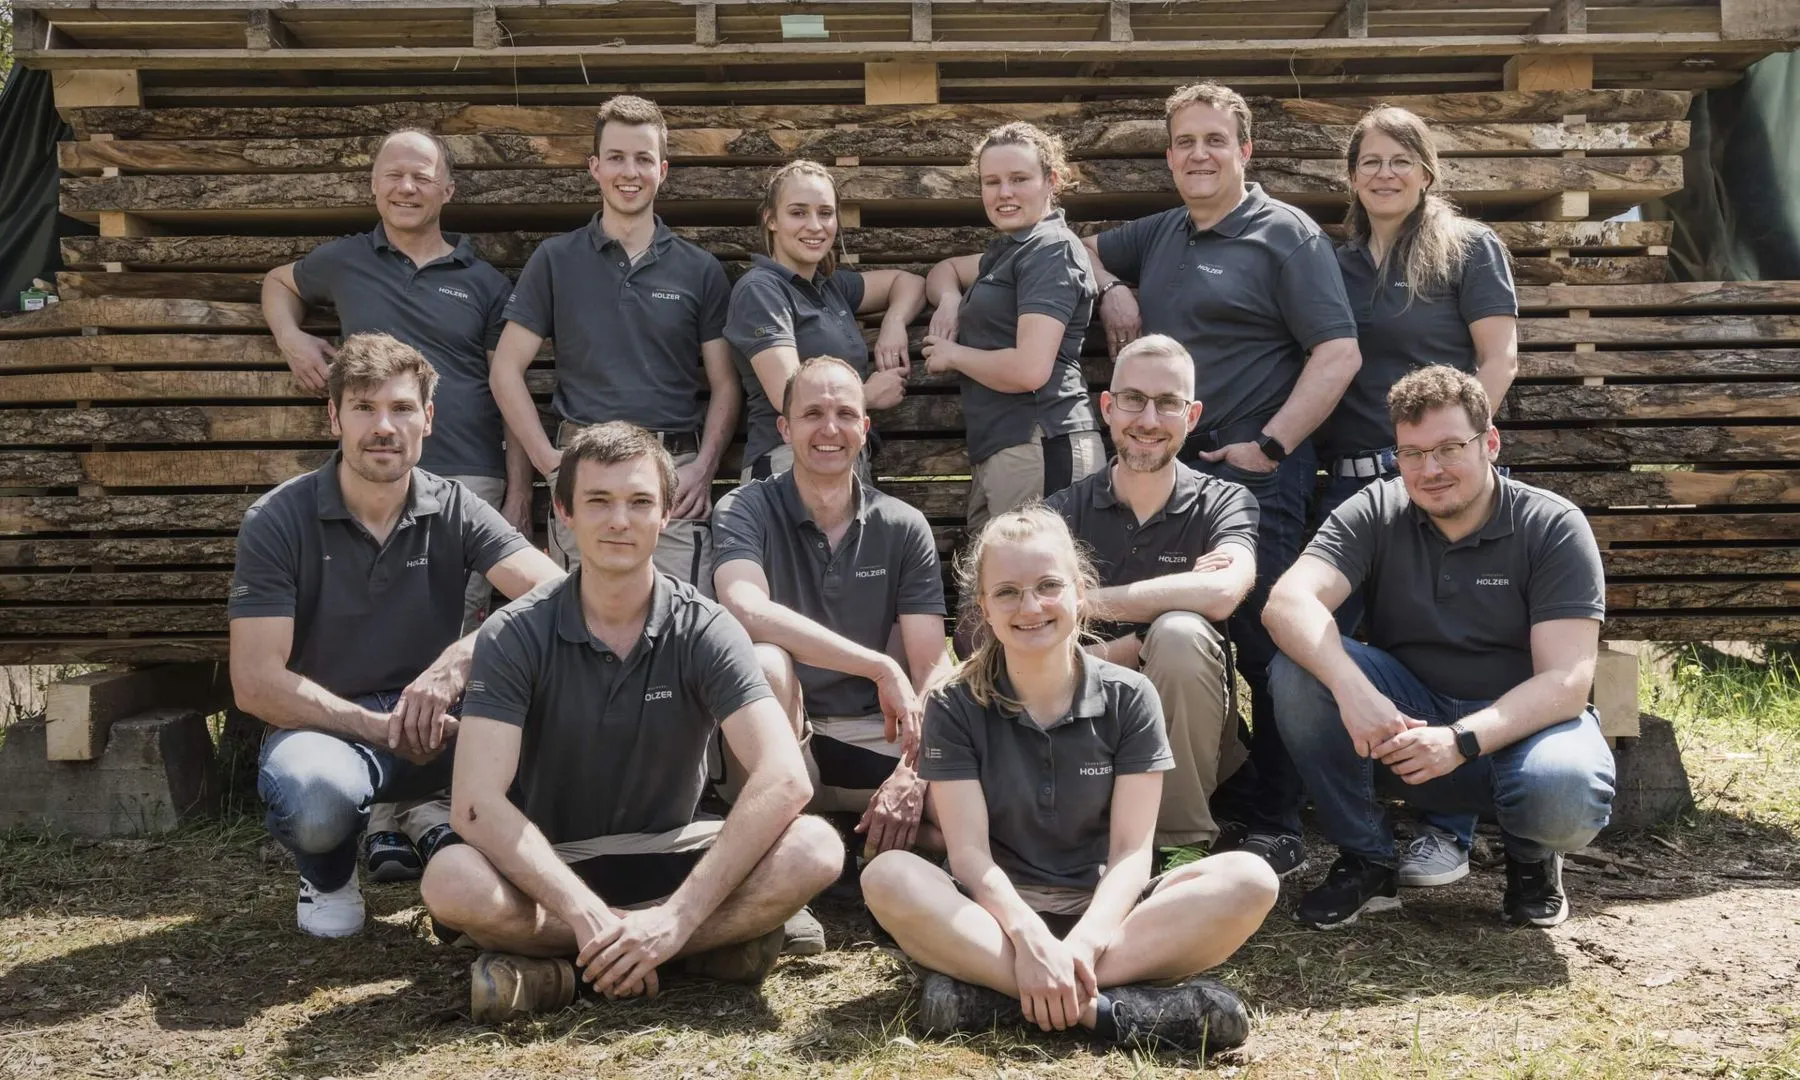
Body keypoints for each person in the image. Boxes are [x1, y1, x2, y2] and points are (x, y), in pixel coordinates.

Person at [420, 422, 844, 1023]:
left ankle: (565, 971)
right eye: (598, 501)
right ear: (564, 512)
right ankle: (694, 953)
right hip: (551, 864)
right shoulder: (513, 632)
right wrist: (589, 915)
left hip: (672, 851)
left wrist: (674, 920)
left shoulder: (705, 627)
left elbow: (785, 778)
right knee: (449, 880)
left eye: (640, 501)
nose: (619, 520)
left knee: (816, 848)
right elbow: (474, 805)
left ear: (666, 514)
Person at [860, 507, 1277, 1053]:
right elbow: (969, 856)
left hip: (1109, 917)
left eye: (1048, 586)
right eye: (1007, 592)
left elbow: (1131, 853)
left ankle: (1000, 999)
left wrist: (1082, 944)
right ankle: (1103, 1010)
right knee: (887, 876)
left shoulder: (1132, 696)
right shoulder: (953, 703)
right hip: (996, 918)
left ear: (1081, 593)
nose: (1030, 606)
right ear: (983, 608)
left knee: (1252, 880)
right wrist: (1029, 935)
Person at [1083, 82, 1362, 877]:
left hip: (1256, 474)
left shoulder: (1286, 236)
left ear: (1245, 150)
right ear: (1169, 155)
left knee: (1267, 643)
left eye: (1214, 140)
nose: (1198, 154)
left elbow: (1338, 351)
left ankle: (1277, 822)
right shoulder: (1163, 230)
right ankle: (1223, 794)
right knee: (1186, 636)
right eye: (1184, 142)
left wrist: (1271, 445)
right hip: (1170, 472)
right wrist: (1114, 287)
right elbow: (1081, 247)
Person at [228, 333, 564, 938]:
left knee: (565, 720)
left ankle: (493, 869)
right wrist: (377, 728)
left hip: (439, 720)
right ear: (334, 417)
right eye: (364, 407)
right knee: (316, 799)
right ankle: (328, 875)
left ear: (428, 419)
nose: (384, 427)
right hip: (327, 729)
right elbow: (254, 682)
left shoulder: (455, 506)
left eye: (402, 408)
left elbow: (558, 595)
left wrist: (460, 659)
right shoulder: (278, 519)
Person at [260, 129, 528, 880]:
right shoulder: (345, 260)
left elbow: (505, 386)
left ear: (448, 190)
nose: (406, 188)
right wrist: (291, 339)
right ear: (374, 186)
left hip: (466, 480)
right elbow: (279, 281)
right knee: (377, 643)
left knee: (455, 647)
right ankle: (384, 818)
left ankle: (433, 810)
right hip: (366, 485)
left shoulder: (484, 281)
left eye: (422, 176)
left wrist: (515, 489)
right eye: (393, 175)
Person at [1263, 366, 1615, 930]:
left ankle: (1530, 856)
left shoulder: (1551, 525)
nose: (1430, 470)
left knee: (1564, 793)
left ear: (1490, 443)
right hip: (1409, 716)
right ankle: (1368, 860)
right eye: (1411, 453)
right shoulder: (1377, 509)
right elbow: (1286, 603)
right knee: (1300, 669)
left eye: (1450, 448)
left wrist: (1460, 740)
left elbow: (1567, 682)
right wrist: (1352, 689)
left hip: (1520, 728)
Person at [1319, 105, 1523, 889]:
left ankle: (1447, 828)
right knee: (1334, 648)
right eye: (1370, 161)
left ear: (1428, 171)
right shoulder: (1335, 263)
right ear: (1351, 176)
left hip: (1441, 481)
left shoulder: (1468, 248)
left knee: (1447, 641)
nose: (1385, 173)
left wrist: (1450, 457)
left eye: (1401, 159)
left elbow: (1498, 358)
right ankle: (1360, 833)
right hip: (1351, 479)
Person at [490, 94, 738, 593]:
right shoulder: (555, 260)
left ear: (662, 170)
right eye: (617, 157)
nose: (630, 172)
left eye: (644, 159)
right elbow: (505, 370)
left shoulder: (700, 270)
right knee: (580, 623)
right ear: (595, 167)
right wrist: (548, 462)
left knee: (681, 623)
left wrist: (704, 467)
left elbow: (726, 384)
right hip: (585, 471)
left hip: (671, 478)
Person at [713, 357, 954, 862]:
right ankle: (802, 852)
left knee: (970, 811)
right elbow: (746, 608)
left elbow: (932, 667)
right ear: (785, 429)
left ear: (864, 429)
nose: (829, 429)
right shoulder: (743, 508)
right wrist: (878, 665)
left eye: (845, 414)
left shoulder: (903, 525)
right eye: (812, 414)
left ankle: (851, 846)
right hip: (783, 734)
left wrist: (913, 773)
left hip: (876, 734)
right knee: (765, 662)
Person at [1046, 335, 1259, 863]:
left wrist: (1081, 601)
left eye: (1168, 403)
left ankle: (1179, 843)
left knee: (1181, 635)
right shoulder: (1059, 515)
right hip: (1080, 717)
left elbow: (1222, 591)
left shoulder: (1225, 502)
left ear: (1192, 415)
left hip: (1190, 731)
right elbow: (1005, 624)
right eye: (1133, 399)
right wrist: (1139, 641)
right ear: (1107, 407)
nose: (1148, 419)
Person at [922, 123, 1102, 532]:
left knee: (1036, 569)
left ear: (1051, 181)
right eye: (992, 182)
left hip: (1041, 444)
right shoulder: (1010, 251)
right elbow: (944, 270)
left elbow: (1029, 370)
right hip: (1006, 447)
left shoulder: (1050, 249)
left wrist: (953, 355)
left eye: (1019, 179)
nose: (1004, 193)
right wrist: (950, 301)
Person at [725, 160, 927, 482]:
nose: (815, 226)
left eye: (825, 213)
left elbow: (910, 283)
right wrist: (867, 395)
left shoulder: (831, 287)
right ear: (771, 219)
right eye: (798, 212)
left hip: (844, 458)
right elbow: (788, 394)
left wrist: (894, 322)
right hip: (788, 463)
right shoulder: (760, 290)